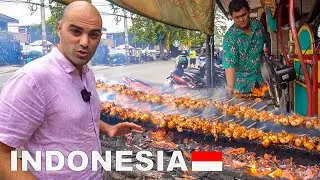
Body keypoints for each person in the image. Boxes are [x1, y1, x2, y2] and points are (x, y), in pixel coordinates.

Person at [0, 1, 143, 180]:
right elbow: (2, 154)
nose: (85, 42)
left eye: (93, 35)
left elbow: (72, 119)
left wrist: (108, 129)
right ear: (60, 28)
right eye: (76, 31)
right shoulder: (32, 79)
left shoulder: (86, 72)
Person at [222, 0, 266, 95]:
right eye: (237, 17)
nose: (241, 19)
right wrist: (230, 87)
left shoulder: (258, 26)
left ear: (249, 11)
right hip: (241, 89)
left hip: (262, 82)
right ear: (232, 17)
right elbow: (229, 64)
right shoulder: (230, 37)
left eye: (243, 15)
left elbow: (266, 44)